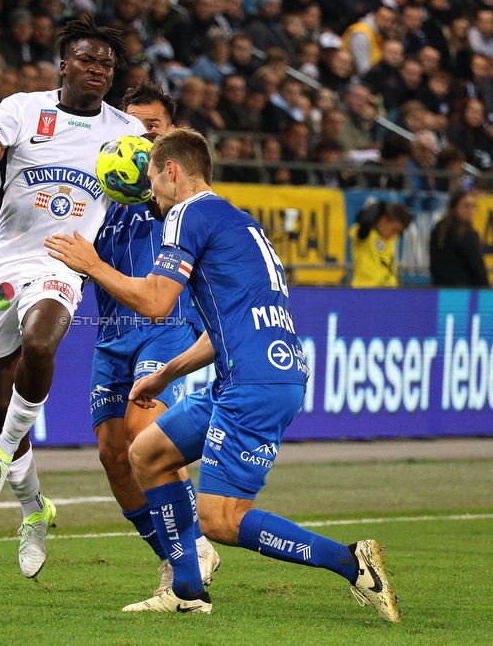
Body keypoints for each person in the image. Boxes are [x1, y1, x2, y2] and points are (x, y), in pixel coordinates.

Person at [43, 128, 400, 620]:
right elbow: (222, 329)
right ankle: (186, 592)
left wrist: (94, 264)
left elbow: (155, 302)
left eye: (151, 176)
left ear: (171, 171)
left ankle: (351, 562)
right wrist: (166, 374)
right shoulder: (239, 222)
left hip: (255, 383)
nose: (150, 190)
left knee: (220, 519)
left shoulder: (188, 213)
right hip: (252, 373)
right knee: (146, 454)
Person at [0, 15, 144, 579]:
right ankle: (34, 511)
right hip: (3, 267)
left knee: (41, 341)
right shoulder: (20, 110)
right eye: (87, 59)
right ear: (64, 63)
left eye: (107, 64)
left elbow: (155, 189)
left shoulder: (126, 131)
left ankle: (0, 454)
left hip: (63, 262)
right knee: (1, 403)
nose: (98, 70)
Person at [91, 82, 220, 598]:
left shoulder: (177, 194)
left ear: (171, 135)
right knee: (111, 453)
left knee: (145, 429)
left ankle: (189, 556)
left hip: (165, 323)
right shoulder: (100, 187)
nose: (140, 136)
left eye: (153, 127)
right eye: (132, 126)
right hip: (110, 330)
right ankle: (179, 553)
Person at [429, 190, 490, 288]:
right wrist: (486, 290)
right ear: (454, 208)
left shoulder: (439, 228)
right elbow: (477, 267)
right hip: (463, 292)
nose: (471, 210)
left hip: (440, 291)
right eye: (466, 206)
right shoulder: (466, 234)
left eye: (473, 206)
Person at [349, 200, 414, 288]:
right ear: (383, 219)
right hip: (365, 291)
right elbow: (365, 222)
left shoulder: (390, 239)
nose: (394, 235)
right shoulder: (365, 236)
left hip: (388, 292)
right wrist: (381, 205)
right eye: (393, 230)